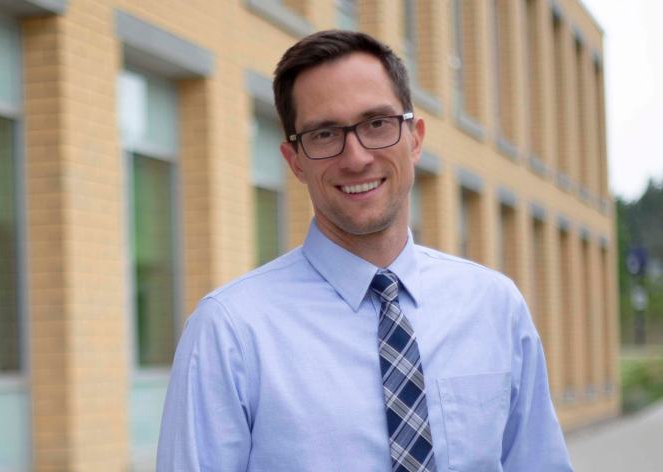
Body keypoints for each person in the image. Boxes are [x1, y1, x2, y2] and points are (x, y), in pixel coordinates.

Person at [156, 30, 573, 472]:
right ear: (294, 160)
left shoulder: (495, 306)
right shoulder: (229, 333)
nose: (355, 158)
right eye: (324, 134)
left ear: (415, 139)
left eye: (376, 123)